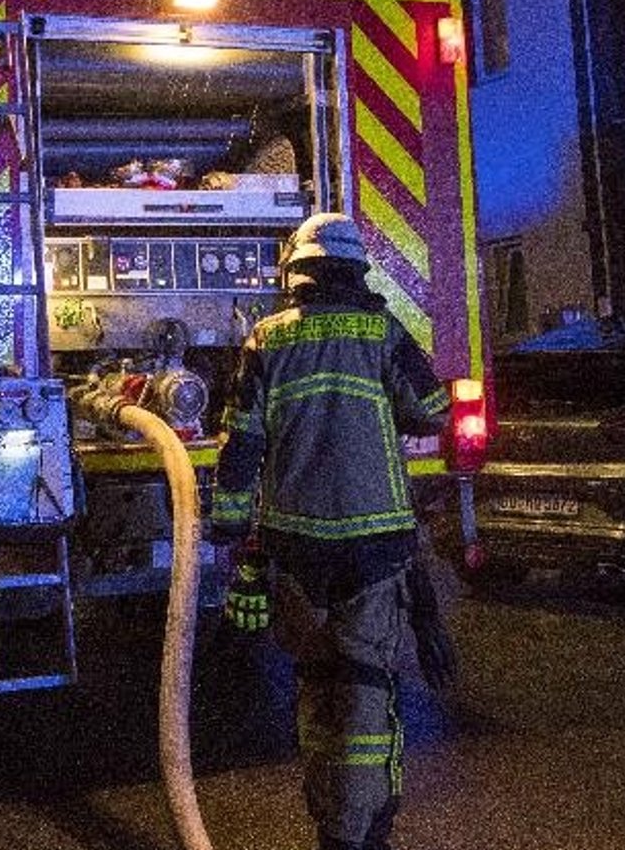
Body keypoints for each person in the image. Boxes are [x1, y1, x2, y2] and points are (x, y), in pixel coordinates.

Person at [208, 212, 450, 850]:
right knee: (366, 692)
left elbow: (242, 445)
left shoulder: (267, 339)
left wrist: (231, 531)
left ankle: (329, 824)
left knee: (315, 685)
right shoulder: (380, 331)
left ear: (296, 273)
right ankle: (359, 836)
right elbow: (432, 413)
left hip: (296, 549)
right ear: (355, 270)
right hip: (377, 550)